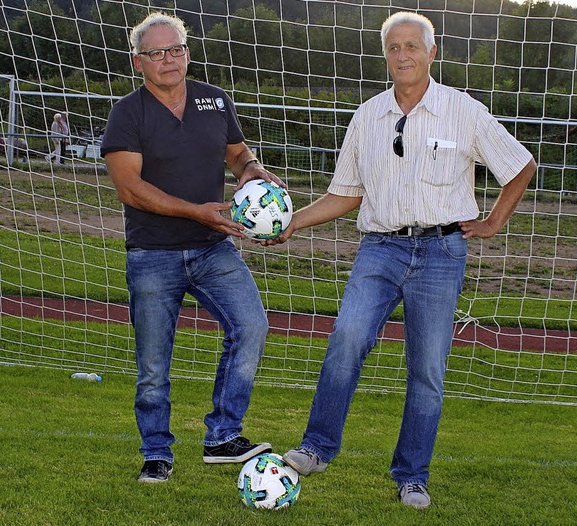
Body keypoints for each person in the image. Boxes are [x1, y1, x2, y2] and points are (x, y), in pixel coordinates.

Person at [270, 12, 537, 509]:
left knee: (427, 370)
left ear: (432, 52)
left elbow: (520, 164)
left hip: (441, 253)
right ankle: (316, 448)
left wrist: (495, 220)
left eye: (412, 46)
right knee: (347, 339)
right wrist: (292, 223)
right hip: (380, 248)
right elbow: (345, 194)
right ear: (385, 56)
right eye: (394, 48)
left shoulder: (463, 111)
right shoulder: (367, 116)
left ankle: (412, 475)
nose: (403, 55)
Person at [100, 12, 281, 483]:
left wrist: (251, 170)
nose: (169, 60)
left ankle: (223, 435)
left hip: (214, 248)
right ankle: (156, 452)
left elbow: (237, 152)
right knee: (154, 364)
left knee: (252, 327)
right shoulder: (128, 112)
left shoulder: (214, 101)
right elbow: (130, 189)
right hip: (153, 253)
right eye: (156, 53)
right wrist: (197, 210)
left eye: (175, 49)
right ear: (138, 62)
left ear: (187, 51)